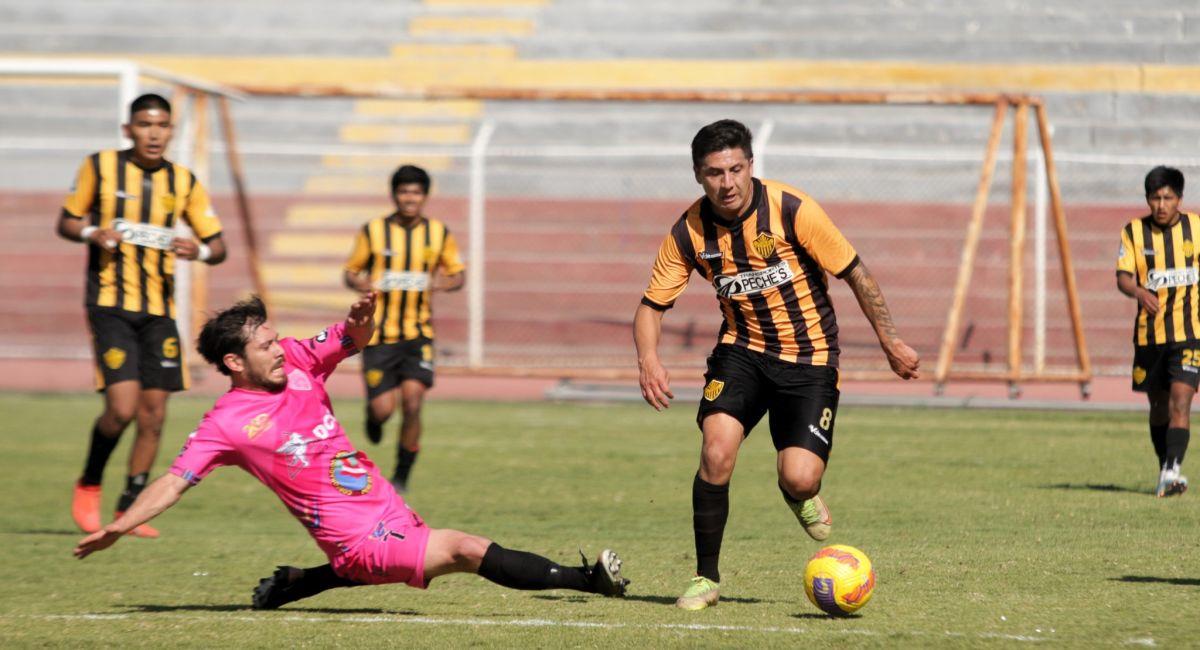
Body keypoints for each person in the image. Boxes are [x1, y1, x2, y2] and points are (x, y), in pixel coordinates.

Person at [73, 293, 628, 608]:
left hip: (382, 505)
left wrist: (360, 327)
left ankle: (299, 582)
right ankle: (586, 580)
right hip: (359, 538)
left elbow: (348, 338)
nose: (277, 349)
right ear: (235, 362)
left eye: (273, 338)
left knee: (428, 555)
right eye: (263, 345)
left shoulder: (295, 358)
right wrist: (121, 525)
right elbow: (174, 480)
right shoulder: (226, 425)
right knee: (464, 549)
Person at [633, 119, 920, 611]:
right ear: (698, 176)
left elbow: (856, 273)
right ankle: (706, 577)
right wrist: (649, 360)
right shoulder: (688, 232)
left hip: (810, 358)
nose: (728, 183)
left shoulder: (792, 209)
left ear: (750, 165)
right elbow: (650, 307)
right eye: (714, 173)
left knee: (800, 476)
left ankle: (800, 494)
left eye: (736, 169)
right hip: (741, 353)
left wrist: (890, 341)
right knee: (716, 451)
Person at [58, 93, 227, 539]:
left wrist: (201, 250)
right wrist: (95, 232)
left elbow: (219, 245)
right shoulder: (100, 167)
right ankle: (89, 483)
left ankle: (130, 506)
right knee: (122, 408)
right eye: (145, 124)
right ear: (128, 129)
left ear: (171, 131)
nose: (154, 133)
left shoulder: (183, 182)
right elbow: (67, 221)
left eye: (162, 125)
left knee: (154, 414)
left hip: (159, 312)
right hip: (111, 305)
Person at [343, 165, 464, 493]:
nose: (410, 198)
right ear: (394, 195)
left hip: (418, 334)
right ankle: (373, 418)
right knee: (384, 411)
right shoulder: (373, 231)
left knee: (413, 402)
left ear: (425, 196)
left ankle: (402, 475)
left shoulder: (438, 233)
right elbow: (351, 272)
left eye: (416, 192)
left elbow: (458, 274)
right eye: (404, 192)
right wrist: (361, 281)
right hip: (379, 337)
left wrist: (444, 282)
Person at [1117, 165, 1196, 497]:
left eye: (1168, 198)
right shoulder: (1133, 233)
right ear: (1148, 199)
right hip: (1150, 337)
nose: (1161, 205)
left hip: (1190, 334)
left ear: (1179, 199)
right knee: (1159, 406)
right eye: (1155, 198)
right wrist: (1138, 291)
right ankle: (1166, 469)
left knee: (1181, 401)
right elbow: (1122, 277)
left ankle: (1173, 469)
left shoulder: (1196, 229)